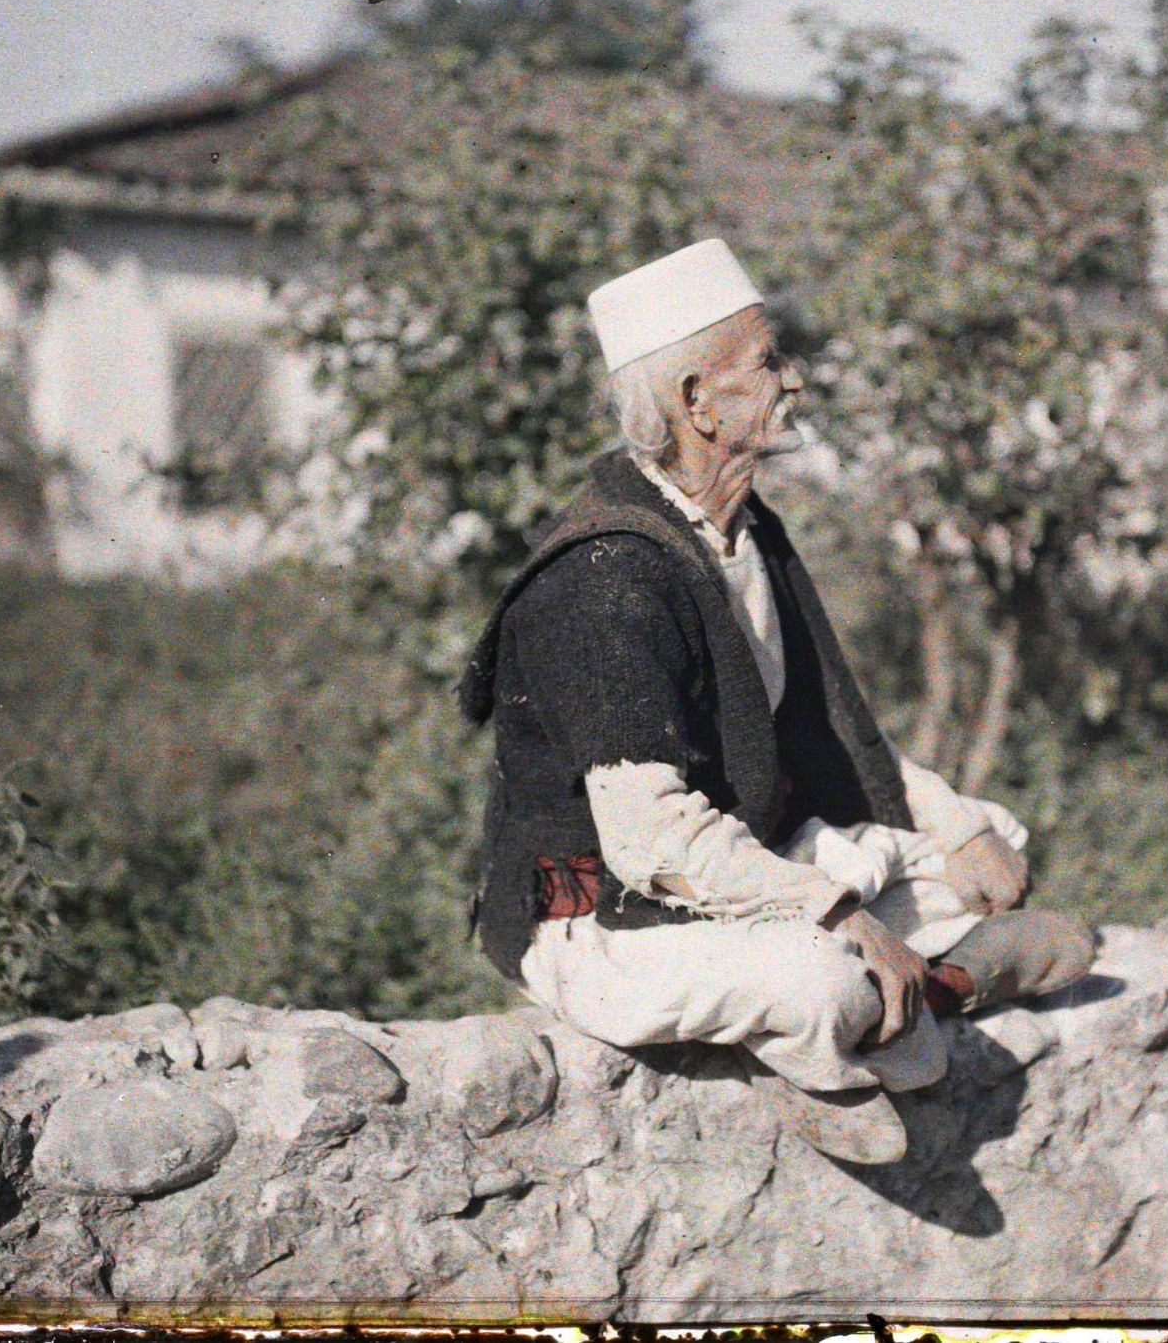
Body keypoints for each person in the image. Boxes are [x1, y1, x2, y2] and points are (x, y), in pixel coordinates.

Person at [459, 239, 1095, 1164]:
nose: (793, 381)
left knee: (983, 850)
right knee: (821, 982)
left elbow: (824, 741)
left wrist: (955, 826)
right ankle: (926, 996)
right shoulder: (607, 578)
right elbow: (653, 843)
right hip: (607, 917)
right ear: (695, 404)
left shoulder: (746, 538)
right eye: (766, 362)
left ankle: (881, 1007)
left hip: (736, 870)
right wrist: (835, 914)